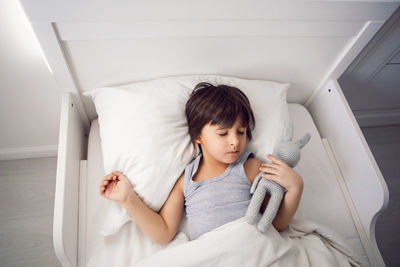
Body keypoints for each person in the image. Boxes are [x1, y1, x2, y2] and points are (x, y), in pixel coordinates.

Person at [99, 82, 303, 244]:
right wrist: (128, 198)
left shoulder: (249, 167)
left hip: (249, 246)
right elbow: (163, 232)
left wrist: (295, 187)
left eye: (241, 132)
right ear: (199, 137)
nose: (235, 141)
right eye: (223, 133)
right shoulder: (186, 180)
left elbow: (276, 223)